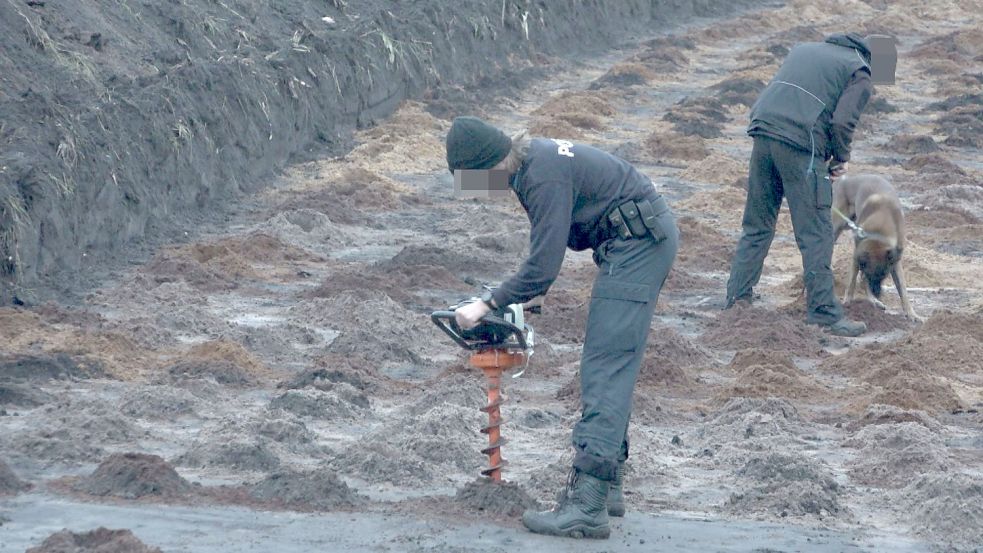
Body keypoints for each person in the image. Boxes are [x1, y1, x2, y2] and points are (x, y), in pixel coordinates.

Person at [446, 116, 678, 539]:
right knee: (611, 361)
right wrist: (513, 294)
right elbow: (546, 248)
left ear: (485, 167)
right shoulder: (533, 164)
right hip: (632, 240)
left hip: (638, 244)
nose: (477, 194)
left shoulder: (541, 175)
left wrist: (488, 303)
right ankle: (608, 489)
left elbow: (542, 268)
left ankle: (587, 506)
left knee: (606, 365)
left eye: (471, 182)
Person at [725, 33, 875, 337]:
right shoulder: (859, 71)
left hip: (763, 131)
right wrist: (839, 160)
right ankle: (824, 313)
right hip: (800, 143)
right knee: (816, 232)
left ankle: (736, 300)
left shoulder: (805, 49)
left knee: (757, 226)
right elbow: (843, 122)